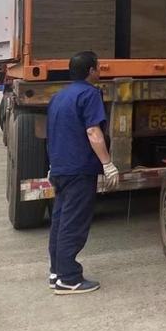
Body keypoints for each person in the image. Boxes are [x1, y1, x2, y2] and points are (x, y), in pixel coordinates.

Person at [46, 51, 119, 295]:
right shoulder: (89, 94)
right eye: (98, 67)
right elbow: (92, 131)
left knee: (60, 221)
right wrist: (107, 163)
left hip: (61, 168)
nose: (100, 71)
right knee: (73, 224)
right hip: (79, 169)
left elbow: (53, 132)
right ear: (91, 71)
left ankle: (57, 272)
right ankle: (69, 278)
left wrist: (53, 165)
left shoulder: (58, 97)